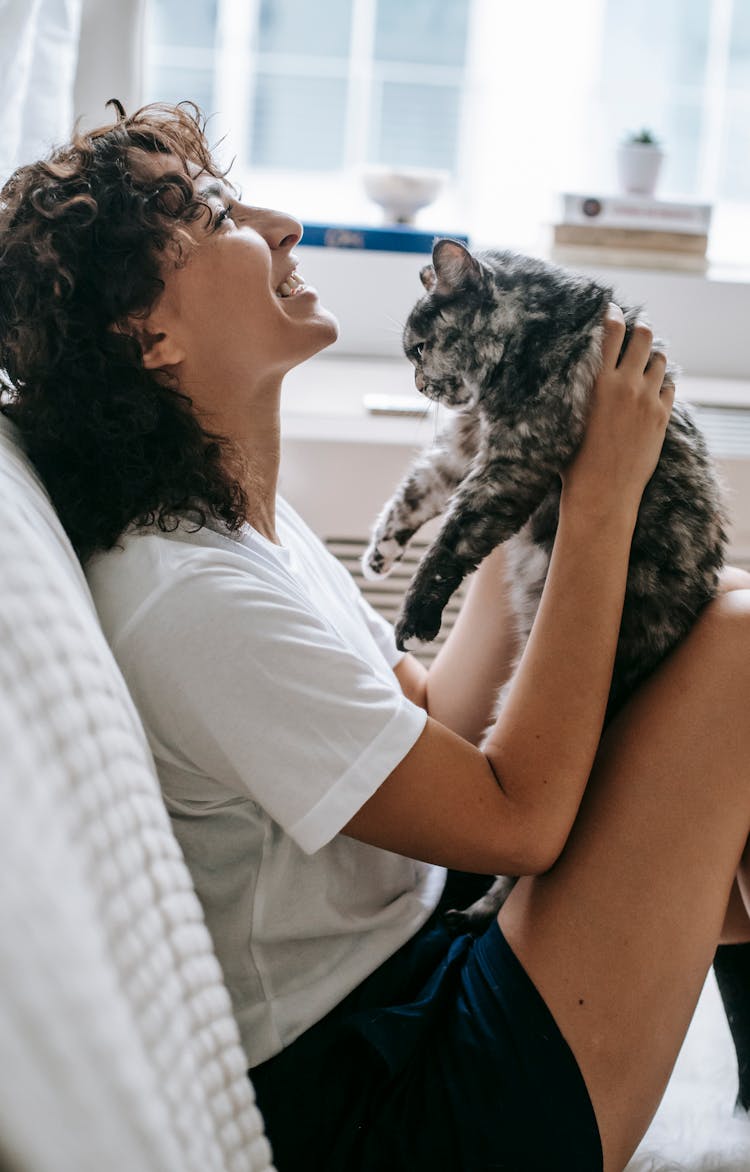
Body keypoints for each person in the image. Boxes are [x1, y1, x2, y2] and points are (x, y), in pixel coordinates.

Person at [1, 100, 750, 1172]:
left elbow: (435, 715)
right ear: (148, 336)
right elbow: (519, 819)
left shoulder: (244, 529)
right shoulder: (190, 598)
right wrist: (597, 503)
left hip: (424, 974)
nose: (280, 221)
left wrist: (533, 443)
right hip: (393, 1101)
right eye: (215, 214)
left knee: (713, 609)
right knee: (740, 645)